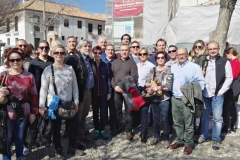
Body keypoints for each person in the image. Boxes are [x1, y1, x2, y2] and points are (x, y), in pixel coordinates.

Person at [39, 45, 79, 158]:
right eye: (56, 53)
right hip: (54, 104)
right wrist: (41, 106)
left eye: (62, 53)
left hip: (69, 104)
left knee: (74, 125)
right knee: (56, 129)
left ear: (65, 54)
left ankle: (72, 146)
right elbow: (43, 89)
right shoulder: (48, 70)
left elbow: (75, 87)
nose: (59, 55)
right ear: (53, 54)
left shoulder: (70, 69)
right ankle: (58, 148)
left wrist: (76, 101)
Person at [0, 48, 38, 160]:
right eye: (12, 60)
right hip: (7, 111)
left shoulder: (29, 76)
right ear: (8, 61)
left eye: (18, 59)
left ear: (22, 60)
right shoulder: (3, 75)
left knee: (20, 136)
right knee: (7, 136)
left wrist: (33, 112)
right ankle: (6, 158)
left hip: (24, 110)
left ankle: (20, 156)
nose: (15, 62)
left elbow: (34, 95)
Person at [170, 48, 205, 155]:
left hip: (187, 99)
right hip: (175, 98)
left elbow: (202, 84)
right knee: (177, 122)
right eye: (179, 54)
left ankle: (188, 144)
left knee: (188, 123)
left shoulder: (194, 67)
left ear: (187, 54)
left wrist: (188, 87)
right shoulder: (173, 67)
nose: (181, 56)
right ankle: (180, 140)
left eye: (183, 54)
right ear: (176, 55)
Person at [198, 41, 233, 150]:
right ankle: (204, 135)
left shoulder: (224, 61)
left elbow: (229, 77)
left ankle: (216, 139)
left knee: (217, 118)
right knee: (205, 116)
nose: (212, 51)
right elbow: (200, 77)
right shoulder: (204, 61)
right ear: (207, 50)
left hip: (217, 94)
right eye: (210, 49)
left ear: (218, 49)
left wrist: (221, 91)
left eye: (215, 49)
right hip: (205, 93)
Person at [65, 37, 94, 152]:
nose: (87, 48)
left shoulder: (88, 59)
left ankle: (81, 137)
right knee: (76, 118)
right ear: (80, 48)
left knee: (83, 116)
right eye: (85, 46)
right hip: (79, 92)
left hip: (88, 91)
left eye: (89, 46)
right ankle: (74, 143)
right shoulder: (74, 59)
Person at [111, 45, 138, 140]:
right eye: (122, 50)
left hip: (128, 91)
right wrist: (115, 87)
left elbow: (134, 78)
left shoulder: (132, 63)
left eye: (126, 50)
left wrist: (124, 86)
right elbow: (112, 77)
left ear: (129, 51)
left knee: (128, 112)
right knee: (117, 111)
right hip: (117, 90)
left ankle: (128, 130)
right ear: (120, 51)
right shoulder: (115, 62)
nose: (124, 52)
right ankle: (119, 126)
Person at [145, 52, 171, 148]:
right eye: (158, 57)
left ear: (165, 59)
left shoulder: (168, 70)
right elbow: (147, 82)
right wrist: (151, 85)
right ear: (155, 59)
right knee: (155, 119)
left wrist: (156, 87)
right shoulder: (153, 70)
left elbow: (167, 86)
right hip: (154, 99)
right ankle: (156, 136)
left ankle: (166, 138)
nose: (160, 59)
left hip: (164, 99)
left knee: (164, 119)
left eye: (162, 57)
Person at [92, 46, 111, 140]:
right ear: (93, 53)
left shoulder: (105, 65)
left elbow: (108, 79)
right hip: (94, 94)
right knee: (95, 113)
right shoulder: (90, 64)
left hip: (103, 93)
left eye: (99, 53)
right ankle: (96, 130)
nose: (97, 54)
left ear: (102, 54)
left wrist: (109, 92)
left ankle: (102, 130)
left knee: (103, 113)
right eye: (95, 53)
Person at [136, 48, 155, 143]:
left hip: (145, 89)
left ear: (147, 55)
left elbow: (153, 79)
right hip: (136, 89)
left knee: (144, 111)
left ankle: (143, 132)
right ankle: (140, 129)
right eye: (140, 54)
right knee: (137, 110)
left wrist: (149, 87)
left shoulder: (151, 66)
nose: (142, 55)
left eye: (144, 54)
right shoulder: (136, 65)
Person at [222, 48, 240, 133]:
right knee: (233, 106)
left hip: (233, 87)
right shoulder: (237, 61)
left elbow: (233, 75)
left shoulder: (233, 62)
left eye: (227, 54)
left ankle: (227, 125)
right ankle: (233, 125)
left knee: (227, 107)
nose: (226, 56)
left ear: (230, 54)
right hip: (236, 87)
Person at [103, 44, 117, 135]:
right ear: (105, 51)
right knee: (103, 109)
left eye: (112, 50)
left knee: (113, 109)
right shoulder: (101, 61)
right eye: (108, 49)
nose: (110, 51)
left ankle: (113, 126)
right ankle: (102, 127)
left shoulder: (116, 62)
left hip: (114, 88)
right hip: (103, 89)